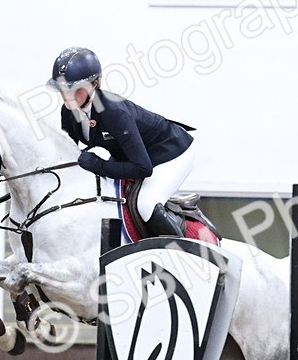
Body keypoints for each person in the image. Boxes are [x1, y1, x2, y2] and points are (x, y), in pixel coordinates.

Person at [47, 46, 194, 238]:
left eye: (74, 89)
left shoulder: (113, 113)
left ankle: (182, 255)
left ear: (94, 84)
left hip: (171, 153)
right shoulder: (68, 110)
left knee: (146, 203)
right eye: (62, 89)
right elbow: (68, 152)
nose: (67, 96)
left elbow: (143, 168)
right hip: (134, 156)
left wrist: (98, 165)